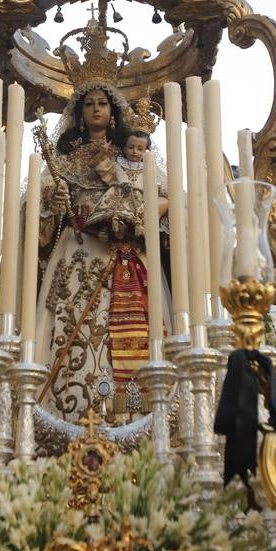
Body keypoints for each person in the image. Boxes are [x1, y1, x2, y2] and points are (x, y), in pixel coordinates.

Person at [35, 67, 171, 423]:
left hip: (124, 253)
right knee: (73, 331)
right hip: (78, 255)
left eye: (102, 104)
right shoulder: (64, 160)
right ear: (79, 112)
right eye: (89, 104)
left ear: (113, 111)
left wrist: (134, 216)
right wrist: (54, 199)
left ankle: (131, 418)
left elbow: (157, 195)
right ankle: (72, 415)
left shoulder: (131, 155)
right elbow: (39, 214)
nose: (96, 110)